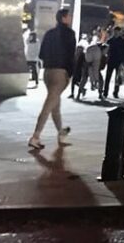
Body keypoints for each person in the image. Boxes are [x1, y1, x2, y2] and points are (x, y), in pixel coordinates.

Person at [28, 8, 75, 151]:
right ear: (64, 18)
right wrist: (69, 73)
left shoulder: (49, 33)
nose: (71, 18)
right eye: (69, 16)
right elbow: (70, 55)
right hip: (60, 72)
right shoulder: (69, 34)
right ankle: (35, 136)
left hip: (47, 72)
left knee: (55, 105)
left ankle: (60, 132)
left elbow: (41, 55)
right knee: (49, 105)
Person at [106, 28, 124, 99]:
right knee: (108, 77)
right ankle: (105, 92)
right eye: (115, 32)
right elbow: (106, 50)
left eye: (117, 32)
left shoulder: (122, 41)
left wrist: (123, 61)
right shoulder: (110, 40)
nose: (116, 33)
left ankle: (115, 92)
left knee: (118, 78)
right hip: (111, 61)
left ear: (119, 32)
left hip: (118, 61)